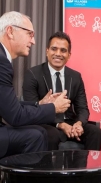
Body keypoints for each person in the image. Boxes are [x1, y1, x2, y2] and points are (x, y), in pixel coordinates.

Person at [0, 11, 70, 159]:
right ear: (10, 31)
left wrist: (40, 104)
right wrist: (53, 107)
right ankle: (26, 182)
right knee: (36, 135)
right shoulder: (2, 62)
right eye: (30, 34)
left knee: (37, 133)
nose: (33, 41)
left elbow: (9, 106)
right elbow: (15, 116)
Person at [22, 31, 101, 151]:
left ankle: (88, 169)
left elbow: (82, 108)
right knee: (51, 135)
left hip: (70, 122)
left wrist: (78, 124)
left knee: (95, 132)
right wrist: (61, 125)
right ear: (47, 51)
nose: (58, 54)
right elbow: (32, 109)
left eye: (63, 50)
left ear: (69, 55)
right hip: (46, 123)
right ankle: (49, 170)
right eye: (54, 49)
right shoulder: (33, 74)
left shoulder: (75, 76)